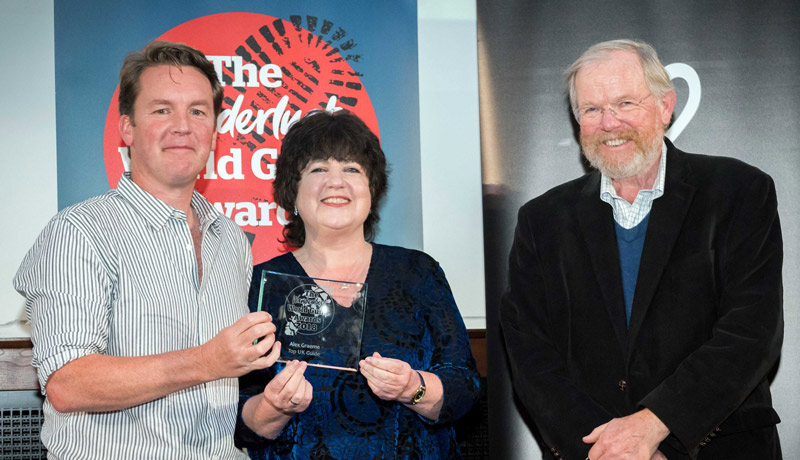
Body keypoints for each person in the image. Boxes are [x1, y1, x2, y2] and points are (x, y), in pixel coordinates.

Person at [500, 39, 783, 460]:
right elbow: (531, 355)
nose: (608, 122)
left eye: (625, 102)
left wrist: (653, 429)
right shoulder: (541, 220)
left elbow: (750, 332)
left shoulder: (739, 191)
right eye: (591, 109)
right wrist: (609, 449)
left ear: (665, 107)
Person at [14, 41, 280, 459]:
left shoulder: (230, 239)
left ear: (214, 129)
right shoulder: (79, 232)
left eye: (197, 111)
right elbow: (67, 383)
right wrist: (206, 361)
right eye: (161, 110)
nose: (182, 126)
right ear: (127, 129)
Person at [234, 110, 481, 459]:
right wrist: (274, 407)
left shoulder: (417, 271)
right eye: (318, 169)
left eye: (352, 169)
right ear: (292, 193)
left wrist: (413, 388)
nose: (336, 182)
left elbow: (465, 389)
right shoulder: (258, 285)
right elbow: (235, 418)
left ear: (372, 189)